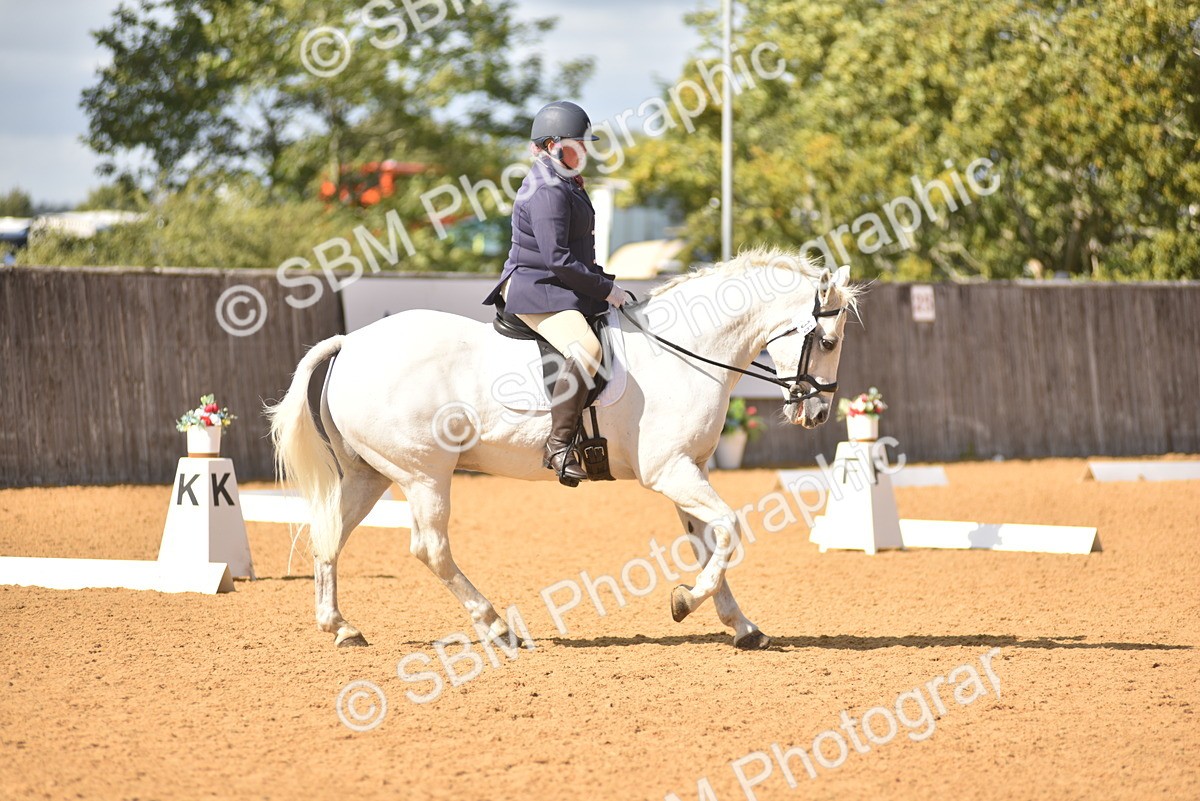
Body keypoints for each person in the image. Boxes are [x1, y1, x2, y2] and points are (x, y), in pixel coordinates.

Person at [482, 100, 631, 486]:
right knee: (588, 349)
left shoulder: (564, 179)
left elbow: (578, 254)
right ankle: (559, 445)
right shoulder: (547, 189)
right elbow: (559, 260)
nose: (584, 151)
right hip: (537, 288)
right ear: (552, 146)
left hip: (556, 283)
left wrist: (608, 285)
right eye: (577, 144)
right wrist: (606, 290)